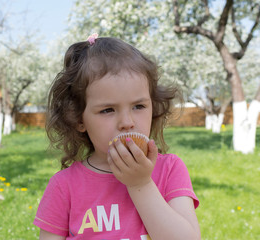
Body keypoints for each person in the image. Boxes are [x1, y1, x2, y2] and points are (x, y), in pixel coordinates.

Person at [33, 34, 201, 240]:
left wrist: (141, 184)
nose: (127, 122)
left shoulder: (169, 170)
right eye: (108, 110)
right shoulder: (64, 186)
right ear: (79, 119)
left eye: (138, 106)